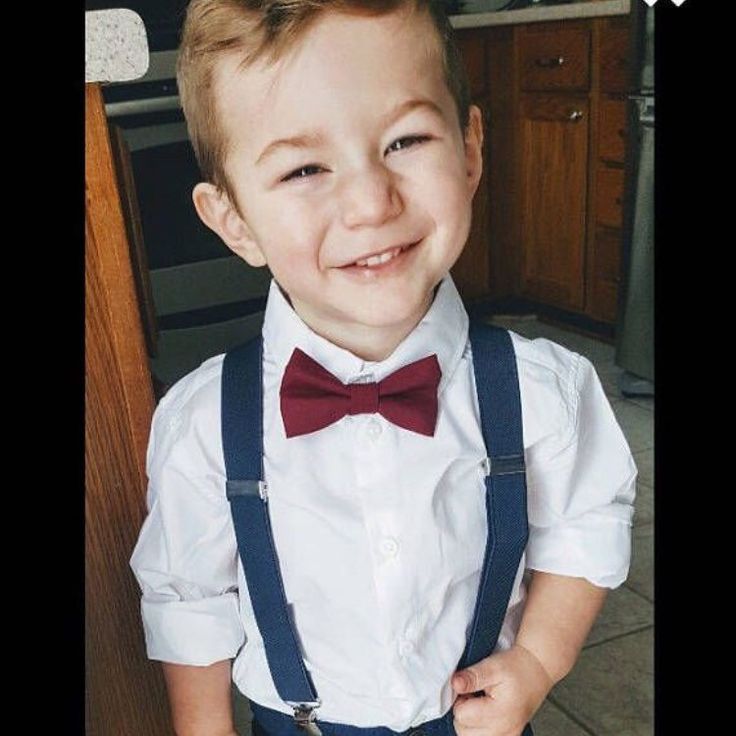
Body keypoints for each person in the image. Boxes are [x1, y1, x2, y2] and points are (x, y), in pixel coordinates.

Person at [129, 1, 638, 735]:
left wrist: (535, 664)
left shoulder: (543, 393)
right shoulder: (205, 421)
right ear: (234, 220)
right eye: (304, 167)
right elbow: (188, 599)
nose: (371, 202)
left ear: (469, 151)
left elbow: (584, 529)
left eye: (405, 140)